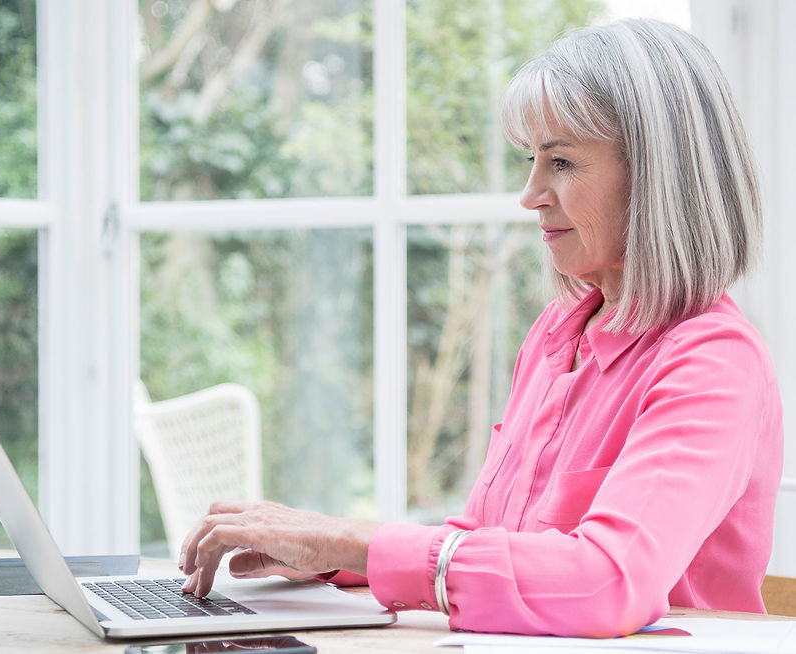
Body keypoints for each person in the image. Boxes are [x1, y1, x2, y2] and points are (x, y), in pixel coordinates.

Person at [177, 19, 783, 638]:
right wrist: (324, 548)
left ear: (661, 178)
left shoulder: (712, 362)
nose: (531, 194)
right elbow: (498, 550)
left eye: (564, 162)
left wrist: (350, 541)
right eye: (532, 159)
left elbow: (603, 583)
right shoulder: (558, 333)